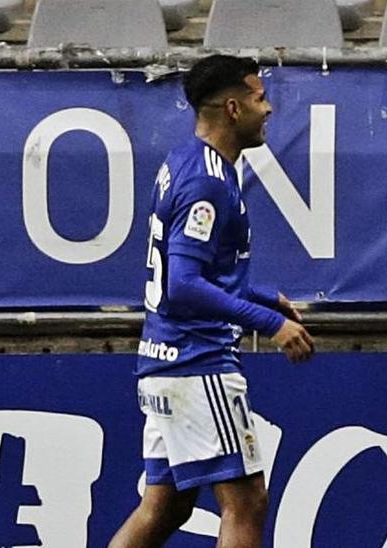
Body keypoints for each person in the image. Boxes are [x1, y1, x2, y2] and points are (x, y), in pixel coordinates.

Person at [110, 54, 314, 548]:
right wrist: (268, 322)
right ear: (232, 108)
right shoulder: (208, 182)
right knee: (246, 503)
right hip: (196, 364)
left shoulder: (185, 161)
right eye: (260, 98)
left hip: (164, 361)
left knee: (164, 506)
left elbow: (201, 273)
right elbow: (183, 284)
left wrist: (265, 297)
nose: (269, 109)